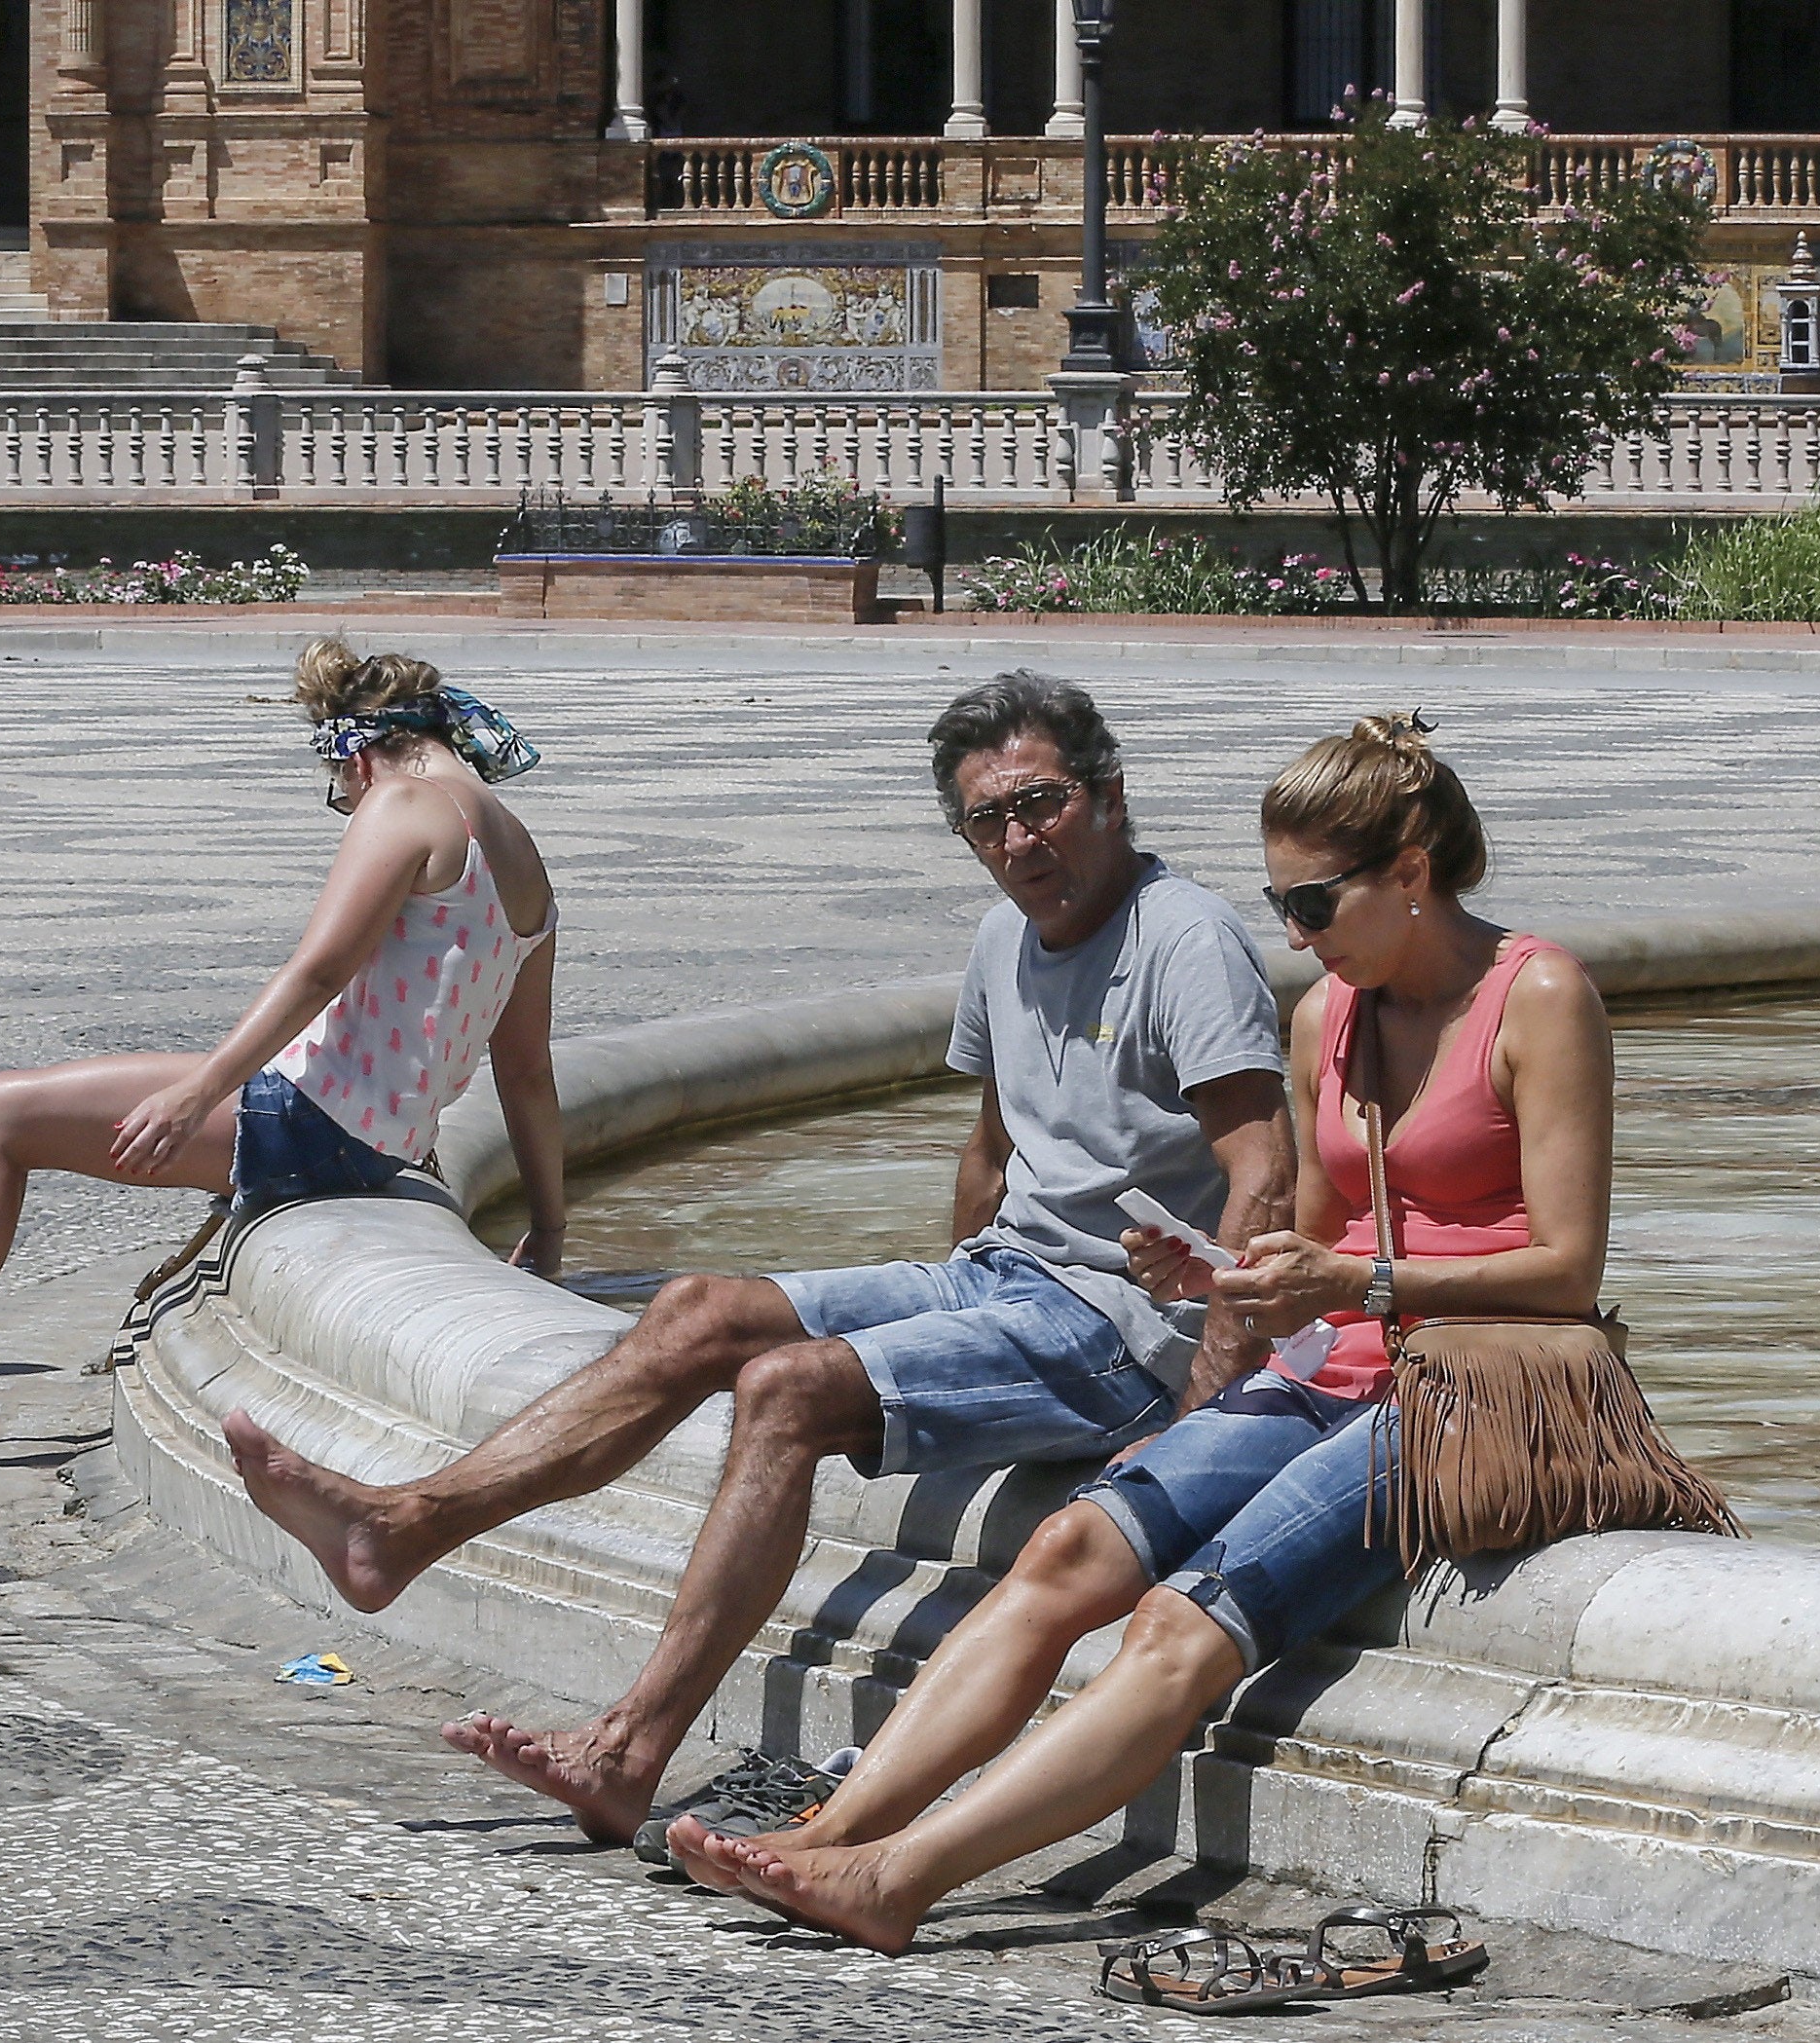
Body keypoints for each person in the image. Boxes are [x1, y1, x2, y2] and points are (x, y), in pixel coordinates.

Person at [228, 674, 1294, 1851]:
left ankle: (630, 1748)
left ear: (1107, 795)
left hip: (1118, 1329)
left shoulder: (1183, 940)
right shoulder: (1005, 937)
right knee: (696, 1308)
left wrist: (1200, 1413)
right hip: (999, 1280)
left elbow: (1265, 1178)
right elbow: (988, 1150)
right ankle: (406, 1524)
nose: (1017, 839)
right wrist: (935, 1316)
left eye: (1039, 804)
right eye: (986, 819)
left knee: (787, 1389)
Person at [666, 714, 1617, 1953]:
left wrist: (1348, 1275)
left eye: (1314, 902)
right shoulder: (1328, 1010)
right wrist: (1228, 1272)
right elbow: (1311, 1265)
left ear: (1411, 872)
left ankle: (902, 1876)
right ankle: (831, 1832)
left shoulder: (1538, 995)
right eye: (1282, 903)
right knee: (1064, 1547)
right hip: (1339, 1364)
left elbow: (1565, 1269)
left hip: (1475, 1389)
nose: (1292, 935)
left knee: (1181, 1618)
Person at [0, 642, 567, 1477]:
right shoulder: (519, 852)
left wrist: (194, 1092)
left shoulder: (403, 806)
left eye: (336, 789)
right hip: (365, 1128)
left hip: (316, 1124)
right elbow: (525, 1068)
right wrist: (551, 1225)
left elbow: (318, 971)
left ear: (352, 753)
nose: (345, 804)